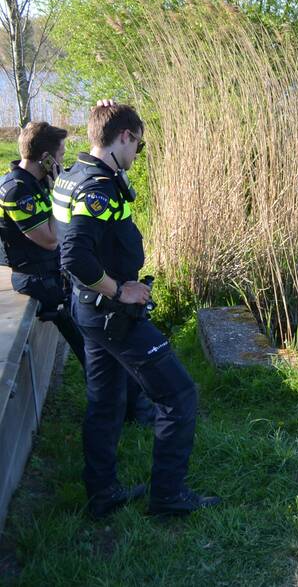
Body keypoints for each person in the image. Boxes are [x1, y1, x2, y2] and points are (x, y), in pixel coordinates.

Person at [53, 102, 220, 518]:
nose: (137, 154)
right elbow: (74, 256)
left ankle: (102, 493)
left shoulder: (74, 174)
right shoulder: (97, 188)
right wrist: (118, 290)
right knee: (179, 394)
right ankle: (168, 496)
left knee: (106, 400)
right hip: (110, 313)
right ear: (125, 136)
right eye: (138, 145)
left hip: (88, 309)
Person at [0, 122, 155, 425]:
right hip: (38, 279)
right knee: (98, 343)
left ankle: (130, 407)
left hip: (53, 273)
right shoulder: (17, 189)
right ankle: (127, 412)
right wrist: (61, 198)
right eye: (59, 155)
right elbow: (49, 239)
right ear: (46, 158)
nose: (62, 161)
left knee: (105, 336)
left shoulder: (35, 182)